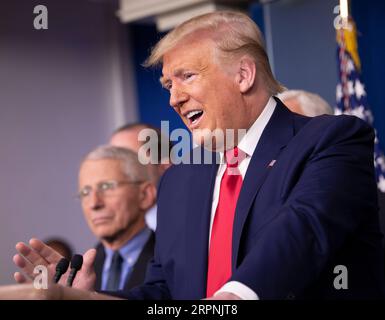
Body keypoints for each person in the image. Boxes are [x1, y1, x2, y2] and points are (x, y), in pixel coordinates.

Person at [11, 10, 385, 300]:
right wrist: (86, 298)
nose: (173, 98)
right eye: (168, 85)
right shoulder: (180, 179)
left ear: (243, 75)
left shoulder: (333, 139)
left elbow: (304, 228)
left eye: (187, 76)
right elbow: (165, 295)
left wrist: (229, 298)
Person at [13, 145, 156, 293]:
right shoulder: (77, 274)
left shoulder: (172, 262)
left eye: (107, 186)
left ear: (145, 195)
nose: (94, 203)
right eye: (85, 192)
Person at [110, 123, 173, 230]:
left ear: (165, 166)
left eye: (127, 159)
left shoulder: (197, 219)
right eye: (111, 161)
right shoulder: (110, 237)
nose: (114, 171)